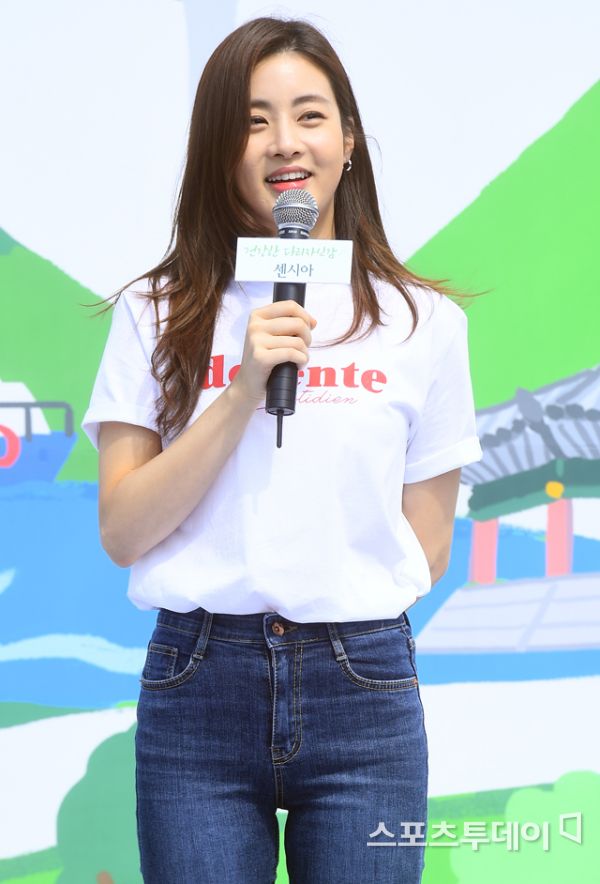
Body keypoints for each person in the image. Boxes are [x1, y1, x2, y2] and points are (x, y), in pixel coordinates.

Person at [82, 16, 484, 884]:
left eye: (309, 115)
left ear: (349, 140)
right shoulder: (155, 312)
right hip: (198, 684)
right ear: (218, 148)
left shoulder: (424, 324)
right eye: (253, 120)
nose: (284, 142)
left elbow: (426, 542)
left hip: (362, 687)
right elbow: (122, 529)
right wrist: (239, 391)